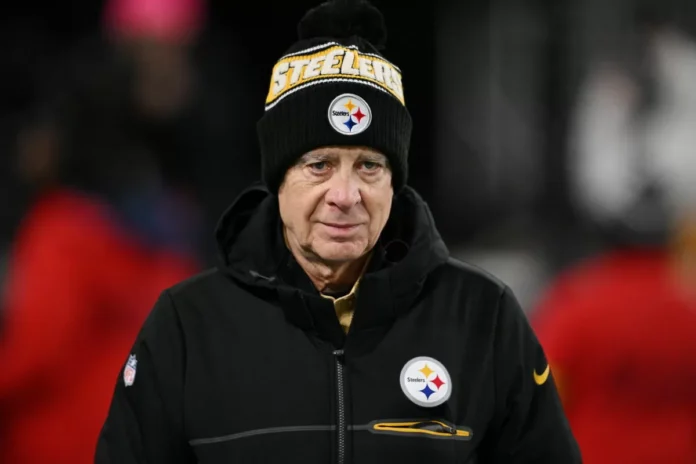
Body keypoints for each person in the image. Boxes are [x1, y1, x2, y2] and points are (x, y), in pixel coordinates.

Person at [96, 0, 580, 462]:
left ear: (394, 182)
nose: (345, 195)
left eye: (369, 166)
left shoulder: (482, 317)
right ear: (278, 180)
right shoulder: (189, 326)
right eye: (319, 165)